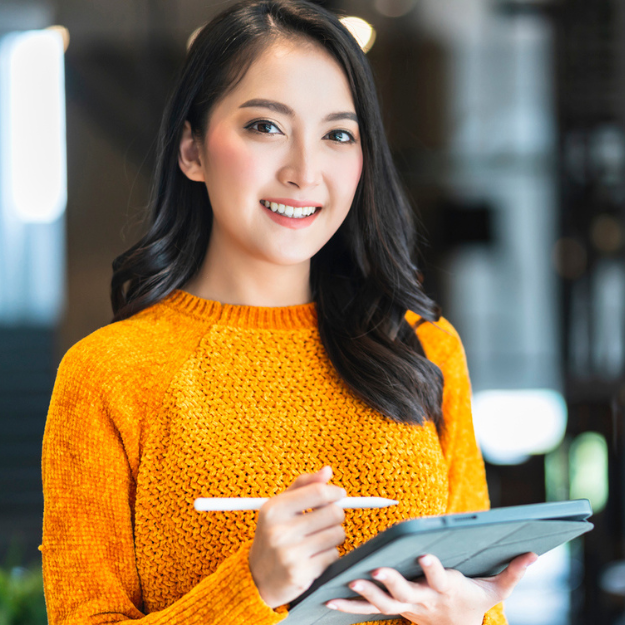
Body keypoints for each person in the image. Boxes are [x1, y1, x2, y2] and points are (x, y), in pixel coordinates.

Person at [40, 1, 537, 624]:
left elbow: (480, 605)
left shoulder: (423, 347)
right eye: (265, 127)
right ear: (192, 150)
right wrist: (251, 586)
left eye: (337, 134)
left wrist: (466, 617)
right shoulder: (108, 375)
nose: (305, 172)